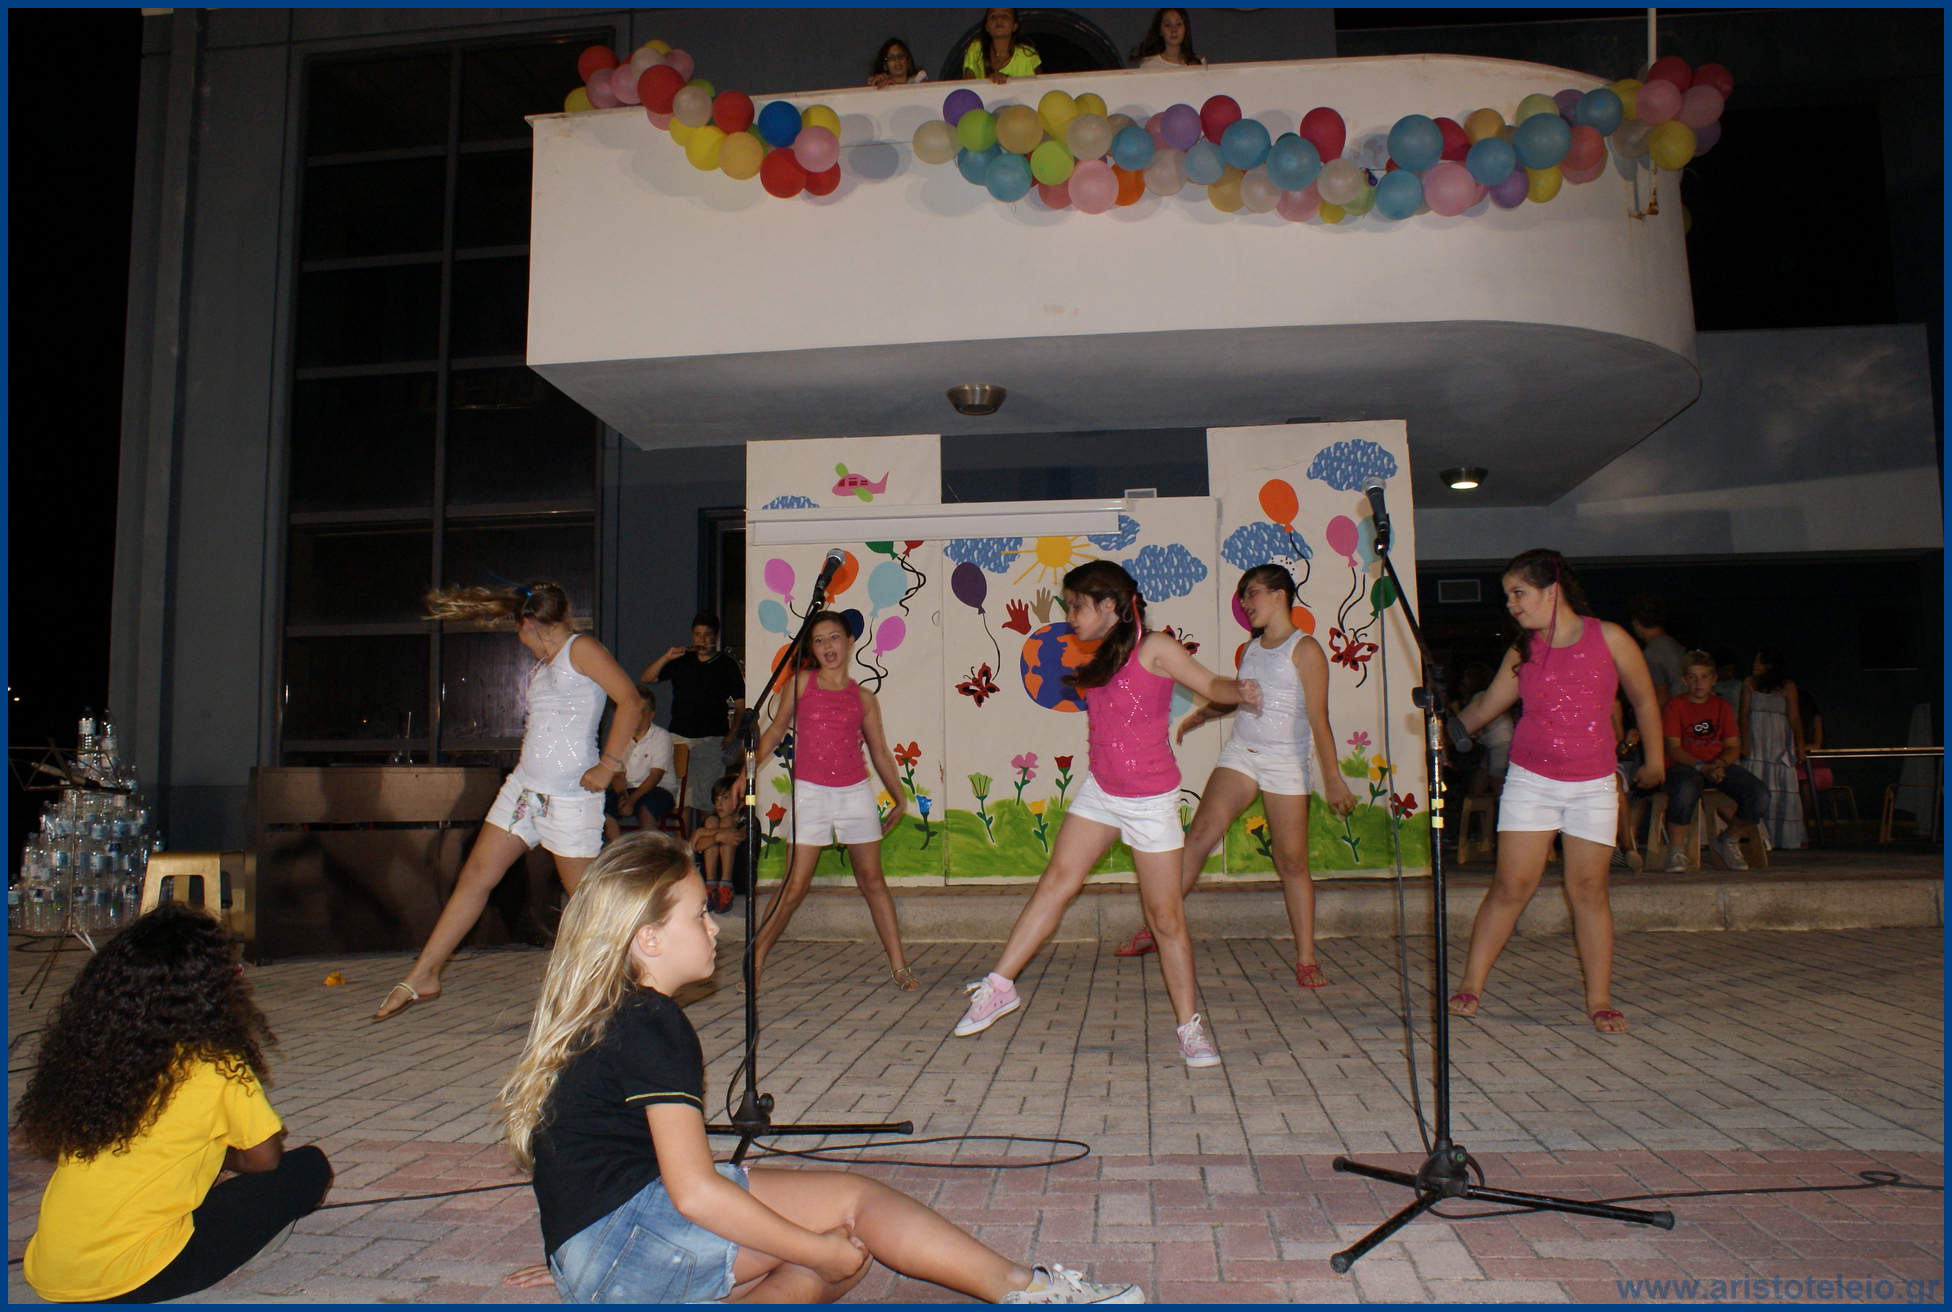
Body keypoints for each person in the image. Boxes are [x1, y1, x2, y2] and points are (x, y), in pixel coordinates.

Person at [499, 832, 1145, 1305]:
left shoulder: (597, 1011)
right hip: (631, 1247)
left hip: (588, 1262)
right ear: (648, 939)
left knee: (842, 1258)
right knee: (854, 1212)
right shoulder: (653, 1023)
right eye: (698, 914)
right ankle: (1028, 1290)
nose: (715, 927)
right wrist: (811, 1246)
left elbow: (583, 1162)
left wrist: (578, 1258)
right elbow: (693, 1192)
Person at [951, 561, 1262, 1067]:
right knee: (1057, 882)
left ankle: (1190, 1029)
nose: (1070, 616)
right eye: (1069, 606)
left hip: (1151, 801)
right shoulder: (1102, 652)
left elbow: (1211, 684)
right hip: (1102, 791)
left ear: (1110, 606)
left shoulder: (1154, 648)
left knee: (1165, 919)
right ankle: (1000, 986)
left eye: (1077, 606)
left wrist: (1240, 691)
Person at [18, 904, 334, 1302]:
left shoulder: (97, 1053)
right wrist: (221, 1159)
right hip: (139, 1276)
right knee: (306, 1168)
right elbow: (265, 1160)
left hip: (51, 1271)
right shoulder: (214, 1063)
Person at [376, 581, 644, 1020]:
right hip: (523, 790)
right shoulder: (545, 664)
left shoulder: (582, 649)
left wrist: (609, 764)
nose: (519, 639)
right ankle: (424, 973)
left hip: (569, 797)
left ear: (532, 624)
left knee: (587, 903)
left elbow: (630, 701)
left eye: (519, 629)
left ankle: (636, 981)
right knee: (475, 877)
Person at [1444, 550, 1664, 1035]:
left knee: (1588, 891)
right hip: (1532, 782)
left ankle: (1600, 999)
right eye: (1508, 596)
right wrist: (1445, 733)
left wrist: (1655, 760)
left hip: (1593, 785)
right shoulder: (1523, 650)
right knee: (1511, 886)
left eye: (1518, 593)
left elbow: (1645, 700)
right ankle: (1471, 985)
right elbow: (1489, 705)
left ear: (1552, 590)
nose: (1511, 604)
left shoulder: (1610, 637)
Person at [1115, 564, 1354, 990]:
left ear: (1280, 594)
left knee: (1291, 862)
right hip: (1242, 753)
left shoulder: (1306, 649)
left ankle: (1306, 958)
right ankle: (1155, 927)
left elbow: (1320, 719)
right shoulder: (1252, 649)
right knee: (1199, 835)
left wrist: (1333, 778)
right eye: (1243, 596)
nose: (1246, 604)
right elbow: (1238, 696)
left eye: (1252, 593)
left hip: (1285, 762)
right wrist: (1203, 715)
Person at [752, 610, 916, 990]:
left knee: (873, 881)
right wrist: (743, 774)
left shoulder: (864, 698)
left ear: (849, 642)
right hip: (811, 793)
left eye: (834, 637)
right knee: (794, 886)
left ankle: (899, 966)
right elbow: (775, 732)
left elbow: (879, 752)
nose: (828, 646)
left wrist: (899, 797)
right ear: (811, 649)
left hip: (854, 793)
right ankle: (755, 959)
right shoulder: (801, 684)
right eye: (819, 640)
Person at [1657, 650, 1768, 872]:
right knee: (1686, 787)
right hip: (1686, 765)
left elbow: (1733, 745)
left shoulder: (1722, 706)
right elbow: (1674, 748)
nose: (1698, 683)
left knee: (1759, 794)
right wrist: (1702, 766)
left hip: (1717, 764)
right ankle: (1676, 849)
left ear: (1714, 679)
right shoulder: (1675, 706)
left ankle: (1728, 838)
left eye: (1704, 677)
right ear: (1684, 680)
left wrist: (1720, 764)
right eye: (1692, 677)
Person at [642, 611, 747, 830]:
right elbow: (647, 677)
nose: (702, 640)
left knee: (707, 801)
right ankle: (684, 846)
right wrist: (667, 656)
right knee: (682, 800)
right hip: (680, 737)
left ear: (715, 637)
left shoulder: (726, 664)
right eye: (698, 635)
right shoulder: (682, 660)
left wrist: (733, 733)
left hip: (711, 739)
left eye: (707, 635)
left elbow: (740, 704)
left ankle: (706, 844)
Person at [1739, 648, 1807, 850]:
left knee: (1781, 791)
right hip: (1757, 742)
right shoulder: (1749, 683)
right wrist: (1745, 743)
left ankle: (1784, 839)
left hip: (1778, 744)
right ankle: (1759, 837)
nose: (1754, 665)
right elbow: (1743, 715)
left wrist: (1799, 745)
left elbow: (1794, 717)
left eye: (1758, 661)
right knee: (1757, 787)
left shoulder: (1787, 687)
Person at [603, 685, 677, 843]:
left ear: (651, 714)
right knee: (603, 804)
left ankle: (648, 851)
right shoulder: (621, 737)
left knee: (647, 806)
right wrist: (623, 797)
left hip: (658, 789)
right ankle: (618, 850)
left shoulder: (661, 736)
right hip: (628, 789)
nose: (637, 715)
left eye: (642, 710)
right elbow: (618, 774)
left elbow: (656, 775)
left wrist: (632, 800)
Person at [691, 770, 747, 911]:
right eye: (716, 800)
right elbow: (695, 846)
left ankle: (726, 887)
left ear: (740, 801)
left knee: (727, 821)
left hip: (738, 878)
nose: (719, 804)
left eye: (725, 798)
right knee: (711, 821)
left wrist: (701, 833)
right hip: (712, 878)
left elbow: (736, 836)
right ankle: (710, 887)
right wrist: (716, 837)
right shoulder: (712, 821)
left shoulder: (747, 819)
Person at [1628, 593, 1686, 710]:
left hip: (1676, 713)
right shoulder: (1674, 644)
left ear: (1637, 623)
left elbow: (1661, 695)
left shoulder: (1652, 652)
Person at [962, 8, 1040, 83]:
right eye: (993, 16)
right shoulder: (975, 50)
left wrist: (1010, 82)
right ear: (987, 26)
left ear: (1015, 26)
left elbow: (1041, 86)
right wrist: (988, 83)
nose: (999, 19)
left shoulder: (1028, 56)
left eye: (1005, 16)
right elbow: (968, 88)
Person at [1130, 7, 1202, 68]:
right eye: (1168, 25)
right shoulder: (1150, 65)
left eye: (1178, 24)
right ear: (1160, 30)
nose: (1174, 30)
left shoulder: (1196, 64)